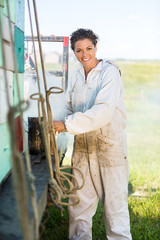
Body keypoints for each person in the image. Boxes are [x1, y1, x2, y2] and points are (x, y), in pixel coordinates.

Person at [53, 28, 132, 240]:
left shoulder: (110, 72)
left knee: (114, 207)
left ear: (96, 47)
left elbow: (103, 111)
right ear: (74, 52)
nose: (84, 54)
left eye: (89, 48)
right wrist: (54, 121)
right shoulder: (77, 75)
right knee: (79, 205)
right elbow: (69, 106)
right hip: (83, 147)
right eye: (79, 50)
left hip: (109, 146)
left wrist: (66, 124)